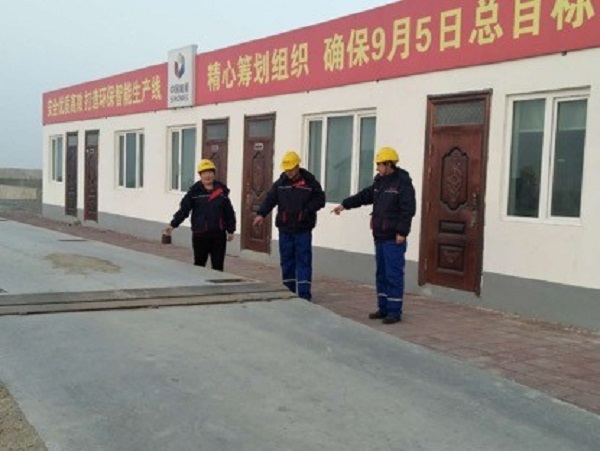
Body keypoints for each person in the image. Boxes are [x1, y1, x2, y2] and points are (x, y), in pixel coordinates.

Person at [332, 146, 415, 324]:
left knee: (393, 275)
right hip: (379, 236)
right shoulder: (379, 182)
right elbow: (364, 196)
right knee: (381, 274)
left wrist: (402, 232)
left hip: (394, 238)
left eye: (379, 164)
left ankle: (394, 311)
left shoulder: (402, 183)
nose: (377, 168)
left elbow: (408, 209)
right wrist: (344, 205)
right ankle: (383, 308)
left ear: (389, 164)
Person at [253, 150, 325, 301]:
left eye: (291, 170)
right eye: (286, 170)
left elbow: (320, 200)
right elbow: (270, 199)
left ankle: (304, 295)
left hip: (303, 229)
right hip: (285, 228)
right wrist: (261, 214)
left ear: (297, 166)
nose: (289, 173)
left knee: (303, 261)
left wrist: (306, 211)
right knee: (287, 261)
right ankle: (288, 292)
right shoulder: (280, 184)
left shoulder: (310, 182)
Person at [163, 159, 236, 271]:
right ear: (200, 175)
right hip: (200, 234)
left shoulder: (222, 192)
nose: (207, 176)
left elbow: (229, 212)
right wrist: (173, 225)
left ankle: (216, 283)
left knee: (218, 266)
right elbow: (184, 210)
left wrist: (231, 230)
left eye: (210, 172)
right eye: (204, 173)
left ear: (214, 174)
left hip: (218, 235)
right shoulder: (194, 192)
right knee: (199, 264)